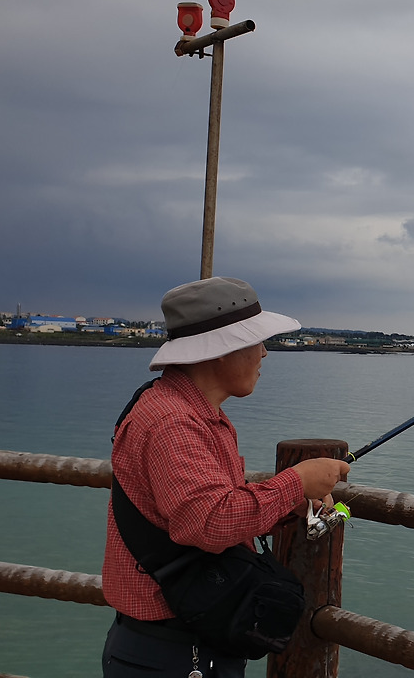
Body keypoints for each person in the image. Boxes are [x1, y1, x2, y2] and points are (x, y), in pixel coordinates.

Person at [101, 276, 350, 677]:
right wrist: (296, 481)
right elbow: (211, 521)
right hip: (172, 652)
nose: (264, 353)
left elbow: (205, 504)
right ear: (220, 350)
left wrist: (292, 503)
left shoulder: (184, 410)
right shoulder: (174, 422)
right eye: (256, 342)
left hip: (177, 643)